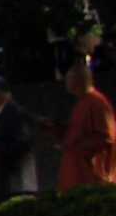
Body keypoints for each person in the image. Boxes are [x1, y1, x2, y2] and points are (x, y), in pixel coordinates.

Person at [49, 53, 115, 188]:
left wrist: (75, 147)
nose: (66, 82)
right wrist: (57, 129)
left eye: (68, 78)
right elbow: (77, 133)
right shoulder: (82, 103)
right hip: (78, 175)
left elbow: (106, 137)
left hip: (91, 176)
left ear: (77, 80)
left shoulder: (96, 102)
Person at [0, 75, 42, 197]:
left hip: (16, 181)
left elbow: (23, 144)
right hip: (7, 182)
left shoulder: (14, 112)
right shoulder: (3, 114)